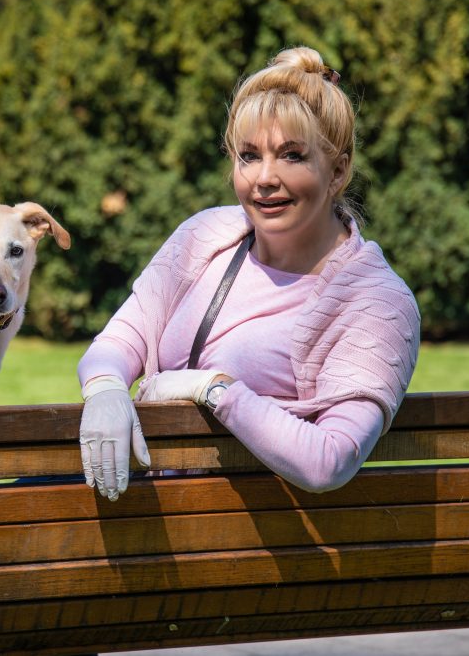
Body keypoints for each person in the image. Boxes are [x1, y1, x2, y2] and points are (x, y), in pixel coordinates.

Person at [77, 46, 421, 502]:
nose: (264, 177)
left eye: (291, 156)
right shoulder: (207, 234)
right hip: (144, 506)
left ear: (338, 170)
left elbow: (329, 460)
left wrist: (213, 389)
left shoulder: (377, 302)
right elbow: (123, 338)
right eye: (248, 156)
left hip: (232, 539)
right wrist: (105, 388)